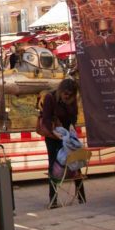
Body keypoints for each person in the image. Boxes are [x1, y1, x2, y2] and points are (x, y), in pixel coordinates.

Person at [40, 78, 84, 208]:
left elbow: (74, 115)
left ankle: (81, 195)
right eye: (65, 93)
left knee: (75, 162)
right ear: (61, 90)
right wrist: (54, 133)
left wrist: (72, 126)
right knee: (53, 164)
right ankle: (53, 199)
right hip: (54, 136)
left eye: (70, 94)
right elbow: (46, 119)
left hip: (68, 135)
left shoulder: (72, 99)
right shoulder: (50, 97)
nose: (67, 96)